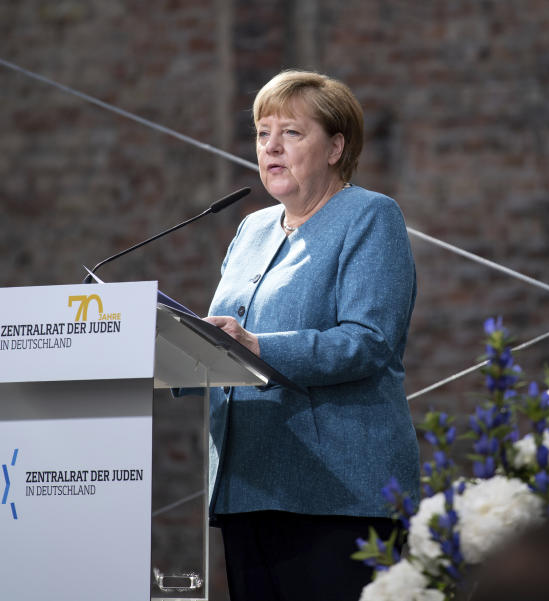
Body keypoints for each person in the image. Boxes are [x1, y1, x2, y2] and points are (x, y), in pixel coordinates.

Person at [202, 70, 420, 601]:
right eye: (261, 132)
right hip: (248, 485)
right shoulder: (252, 229)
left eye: (292, 133)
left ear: (335, 147)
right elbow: (218, 342)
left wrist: (258, 346)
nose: (271, 146)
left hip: (338, 492)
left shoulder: (369, 217)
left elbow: (369, 341)